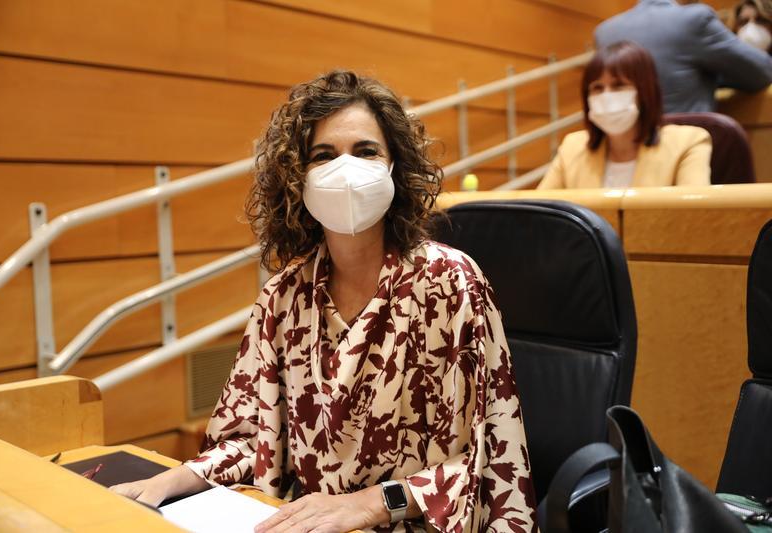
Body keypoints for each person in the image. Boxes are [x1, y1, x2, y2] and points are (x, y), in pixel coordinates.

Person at [110, 70, 536, 533]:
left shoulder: (450, 284)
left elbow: (487, 459)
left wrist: (370, 504)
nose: (345, 169)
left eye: (366, 151)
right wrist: (172, 481)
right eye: (324, 155)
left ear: (395, 168)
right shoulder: (283, 298)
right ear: (298, 177)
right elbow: (255, 437)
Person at [539, 41, 711, 190]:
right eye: (597, 88)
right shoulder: (572, 147)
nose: (606, 96)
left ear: (645, 91)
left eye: (619, 85)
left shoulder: (688, 142)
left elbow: (695, 213)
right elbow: (539, 210)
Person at [596, 0, 772, 113]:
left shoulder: (604, 32)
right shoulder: (695, 18)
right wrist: (712, 73)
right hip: (686, 149)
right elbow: (762, 72)